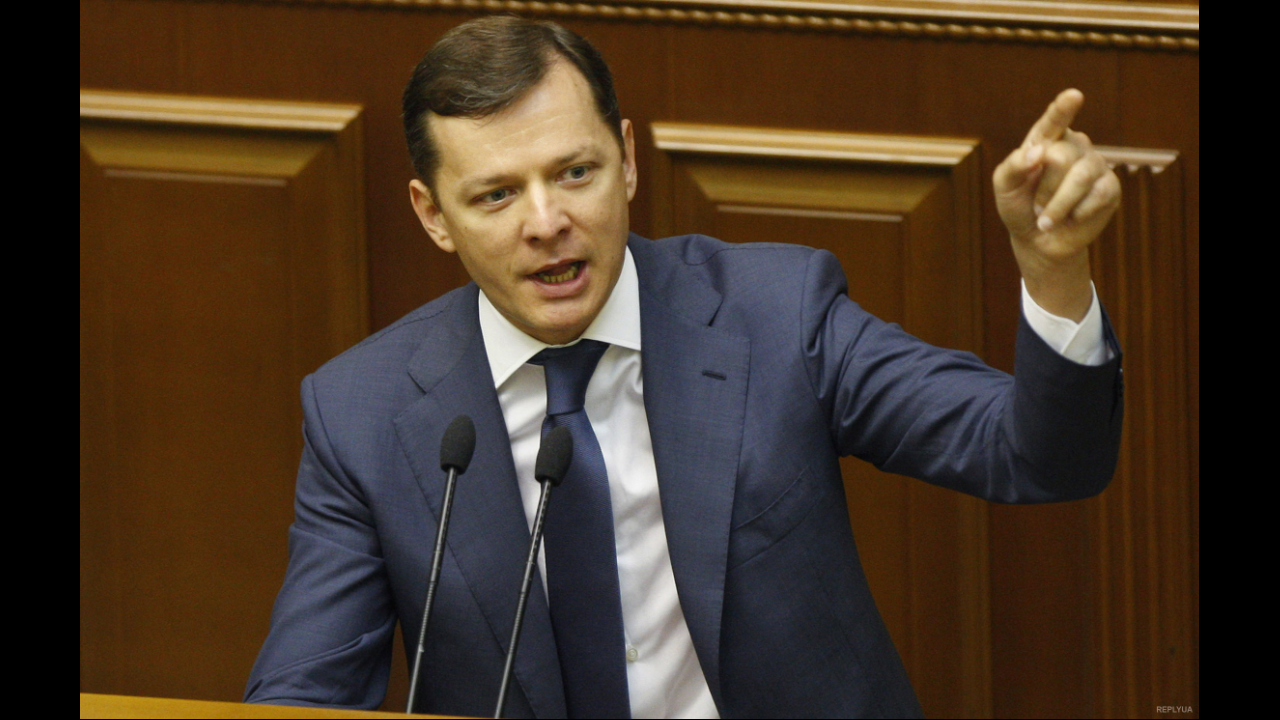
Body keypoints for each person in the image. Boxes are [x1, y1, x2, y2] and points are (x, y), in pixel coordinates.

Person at [245, 16, 1123, 719]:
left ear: (627, 161)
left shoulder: (777, 315)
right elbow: (302, 691)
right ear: (433, 214)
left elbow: (1039, 455)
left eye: (575, 172)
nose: (546, 223)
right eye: (497, 195)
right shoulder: (362, 416)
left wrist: (1055, 272)